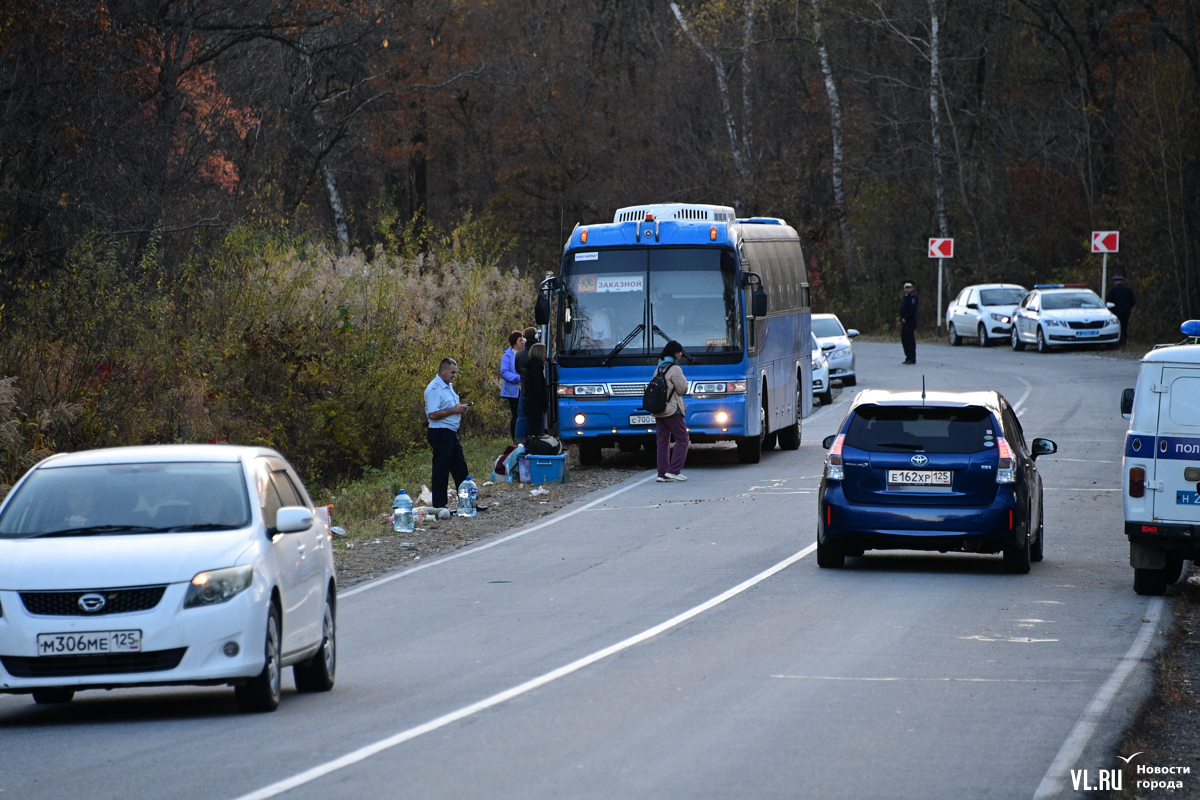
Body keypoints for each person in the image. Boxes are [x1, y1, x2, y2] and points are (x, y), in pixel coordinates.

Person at [425, 358, 471, 510]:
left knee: (460, 468)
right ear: (443, 370)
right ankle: (440, 506)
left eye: (455, 372)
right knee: (441, 470)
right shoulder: (434, 388)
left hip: (451, 432)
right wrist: (453, 410)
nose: (454, 375)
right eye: (452, 372)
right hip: (440, 432)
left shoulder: (448, 386)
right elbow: (432, 415)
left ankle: (468, 502)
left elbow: (450, 406)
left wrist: (459, 408)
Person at [653, 341, 690, 482]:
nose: (681, 355)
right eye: (680, 352)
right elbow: (682, 389)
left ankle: (661, 474)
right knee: (682, 438)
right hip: (672, 410)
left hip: (659, 409)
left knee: (662, 441)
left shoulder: (658, 368)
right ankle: (674, 470)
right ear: (675, 353)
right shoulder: (675, 369)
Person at [513, 326, 539, 440]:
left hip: (524, 388)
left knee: (521, 417)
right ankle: (539, 438)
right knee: (539, 417)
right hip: (537, 389)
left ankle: (518, 440)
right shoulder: (539, 352)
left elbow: (517, 368)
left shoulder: (519, 354)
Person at [500, 330, 524, 441]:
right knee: (516, 415)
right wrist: (518, 378)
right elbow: (504, 371)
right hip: (513, 390)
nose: (522, 342)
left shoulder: (525, 353)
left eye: (523, 340)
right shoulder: (508, 355)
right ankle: (515, 438)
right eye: (520, 340)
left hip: (525, 388)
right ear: (514, 342)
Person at [521, 343, 549, 437]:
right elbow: (538, 388)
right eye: (544, 352)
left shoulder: (531, 367)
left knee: (531, 429)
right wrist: (544, 403)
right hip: (535, 403)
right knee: (535, 430)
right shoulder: (537, 368)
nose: (546, 355)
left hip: (529, 402)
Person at [1107, 276, 1136, 347]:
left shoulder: (1113, 290)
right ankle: (1124, 342)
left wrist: (1112, 309)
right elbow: (1133, 301)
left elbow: (1109, 301)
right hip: (1126, 311)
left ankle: (1118, 341)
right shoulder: (1128, 290)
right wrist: (1129, 307)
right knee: (1124, 325)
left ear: (1115, 282)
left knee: (1117, 326)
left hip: (1116, 311)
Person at [899, 280, 918, 364]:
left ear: (912, 288)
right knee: (904, 339)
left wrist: (905, 318)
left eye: (909, 287)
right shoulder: (906, 297)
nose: (907, 289)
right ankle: (907, 356)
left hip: (910, 321)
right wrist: (901, 319)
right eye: (906, 287)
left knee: (910, 340)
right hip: (904, 321)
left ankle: (912, 358)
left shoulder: (913, 297)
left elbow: (912, 309)